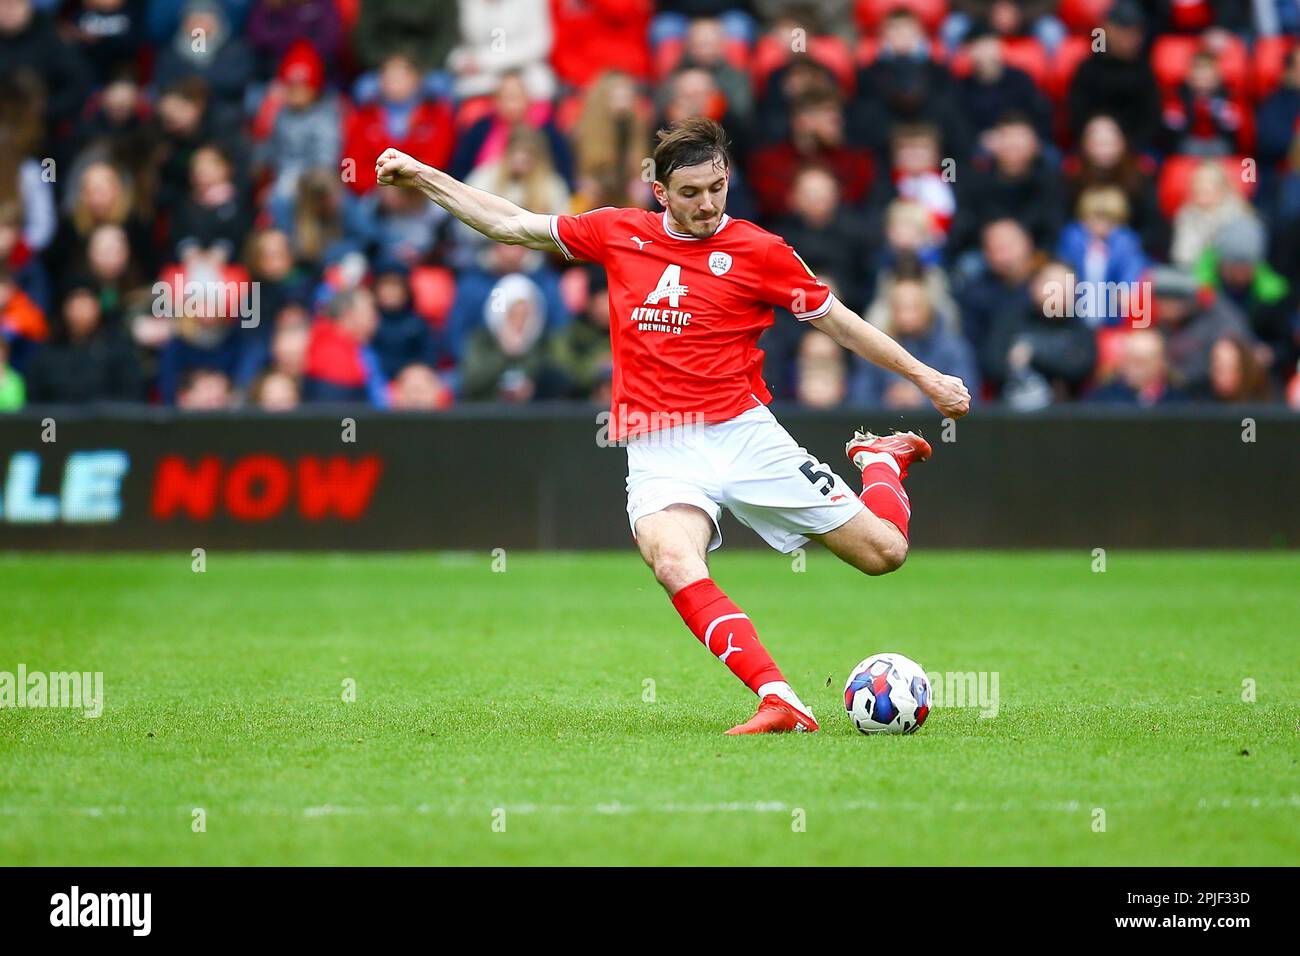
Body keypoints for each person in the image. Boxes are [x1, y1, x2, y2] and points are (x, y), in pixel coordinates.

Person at [374, 117, 970, 735]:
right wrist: (421, 175)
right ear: (659, 192)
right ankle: (780, 698)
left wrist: (926, 378)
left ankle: (880, 460)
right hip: (660, 446)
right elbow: (511, 223)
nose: (707, 203)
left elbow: (842, 324)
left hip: (744, 434)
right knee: (670, 557)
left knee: (885, 554)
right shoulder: (617, 231)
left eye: (717, 187)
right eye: (690, 193)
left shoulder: (760, 251)